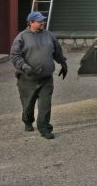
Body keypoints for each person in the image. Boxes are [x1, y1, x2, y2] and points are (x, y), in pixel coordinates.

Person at [9, 11, 68, 139]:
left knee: (45, 105)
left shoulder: (49, 35)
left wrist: (63, 63)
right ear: (31, 23)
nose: (42, 23)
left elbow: (57, 51)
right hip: (27, 78)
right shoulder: (21, 37)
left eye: (43, 21)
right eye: (39, 21)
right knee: (28, 105)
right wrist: (25, 67)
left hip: (46, 78)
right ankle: (27, 120)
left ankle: (44, 128)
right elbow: (15, 56)